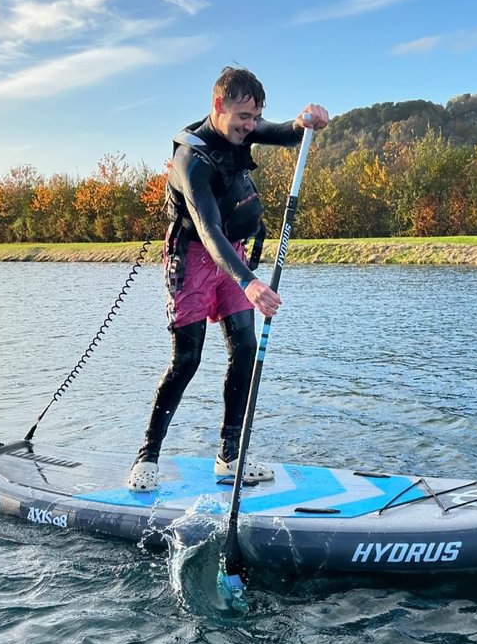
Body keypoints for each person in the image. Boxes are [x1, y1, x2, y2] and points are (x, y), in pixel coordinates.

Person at [127, 67, 329, 491]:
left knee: (245, 348)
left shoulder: (244, 132)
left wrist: (303, 122)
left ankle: (229, 455)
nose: (250, 126)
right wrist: (249, 283)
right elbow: (207, 229)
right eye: (243, 117)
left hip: (232, 256)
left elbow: (285, 133)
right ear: (219, 105)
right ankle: (147, 458)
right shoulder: (190, 159)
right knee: (188, 359)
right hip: (194, 258)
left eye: (255, 118)